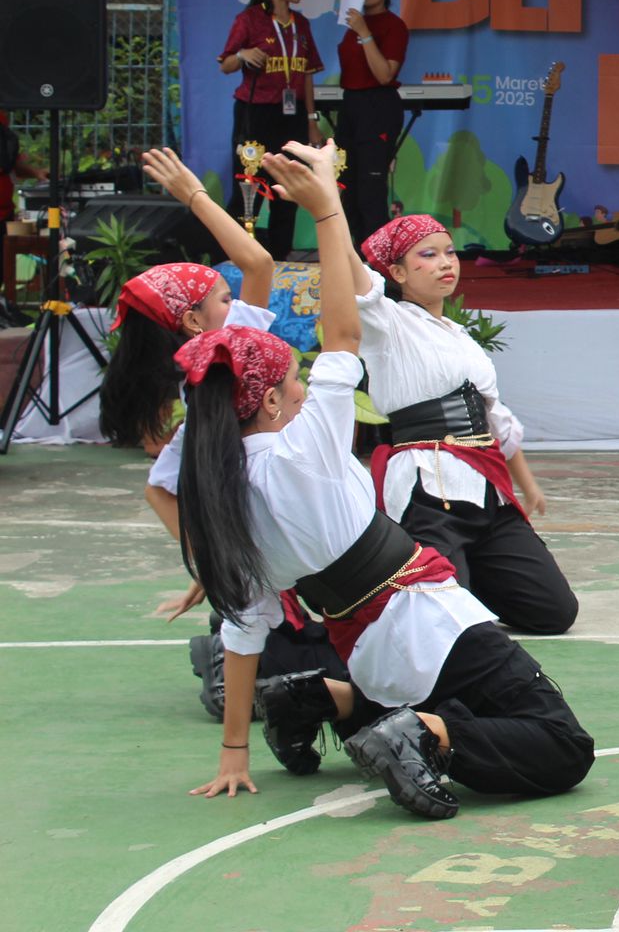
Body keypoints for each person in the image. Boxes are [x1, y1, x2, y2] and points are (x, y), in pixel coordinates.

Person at [178, 140, 593, 818]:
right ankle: (419, 735)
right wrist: (326, 210)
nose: (305, 387)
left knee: (464, 690)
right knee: (562, 746)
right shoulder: (304, 451)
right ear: (272, 401)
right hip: (424, 615)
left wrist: (234, 752)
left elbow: (244, 633)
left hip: (365, 648)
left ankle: (324, 699)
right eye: (294, 379)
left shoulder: (221, 503)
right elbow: (343, 333)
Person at [114, 148, 344, 716]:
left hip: (282, 531)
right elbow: (258, 263)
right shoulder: (214, 381)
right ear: (194, 322)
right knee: (294, 679)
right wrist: (208, 558)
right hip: (260, 552)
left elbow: (158, 488)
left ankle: (231, 643)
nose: (236, 300)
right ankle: (225, 646)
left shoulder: (220, 365)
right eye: (224, 297)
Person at [352, 213, 577, 635]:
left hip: (486, 490)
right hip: (430, 491)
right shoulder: (387, 323)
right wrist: (327, 208)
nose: (445, 263)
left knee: (553, 612)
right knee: (451, 627)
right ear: (397, 273)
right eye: (428, 255)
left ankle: (467, 574)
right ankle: (450, 584)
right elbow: (352, 275)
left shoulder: (460, 336)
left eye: (450, 253)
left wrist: (527, 485)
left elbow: (497, 420)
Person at [217, 0, 325, 259]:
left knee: (287, 190)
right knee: (249, 189)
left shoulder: (301, 24)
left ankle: (281, 258)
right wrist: (242, 55)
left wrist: (311, 120)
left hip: (292, 116)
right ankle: (237, 260)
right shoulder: (250, 19)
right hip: (256, 114)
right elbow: (226, 64)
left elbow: (307, 74)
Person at [334, 0, 410, 247]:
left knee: (370, 191)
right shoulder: (351, 24)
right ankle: (355, 256)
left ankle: (377, 261)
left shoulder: (393, 26)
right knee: (348, 189)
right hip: (350, 105)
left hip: (378, 107)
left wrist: (365, 33)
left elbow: (384, 74)